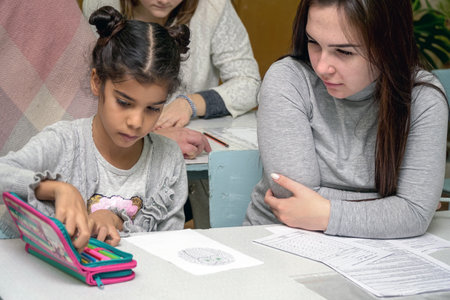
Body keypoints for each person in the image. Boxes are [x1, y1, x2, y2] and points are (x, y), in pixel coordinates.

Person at [244, 0, 448, 238]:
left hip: (378, 256)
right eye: (314, 43)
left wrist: (410, 210)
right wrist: (397, 208)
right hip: (278, 240)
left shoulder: (423, 97)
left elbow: (414, 213)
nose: (322, 66)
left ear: (389, 44)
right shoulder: (289, 79)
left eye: (344, 51)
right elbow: (295, 202)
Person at [0, 6, 190, 250]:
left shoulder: (168, 159)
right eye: (123, 102)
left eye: (153, 108)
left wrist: (116, 221)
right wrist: (56, 189)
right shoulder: (64, 142)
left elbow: (170, 246)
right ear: (97, 82)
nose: (136, 121)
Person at [83, 0, 261, 127]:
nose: (164, 1)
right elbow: (86, 90)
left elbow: (249, 82)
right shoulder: (100, 5)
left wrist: (189, 104)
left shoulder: (213, 7)